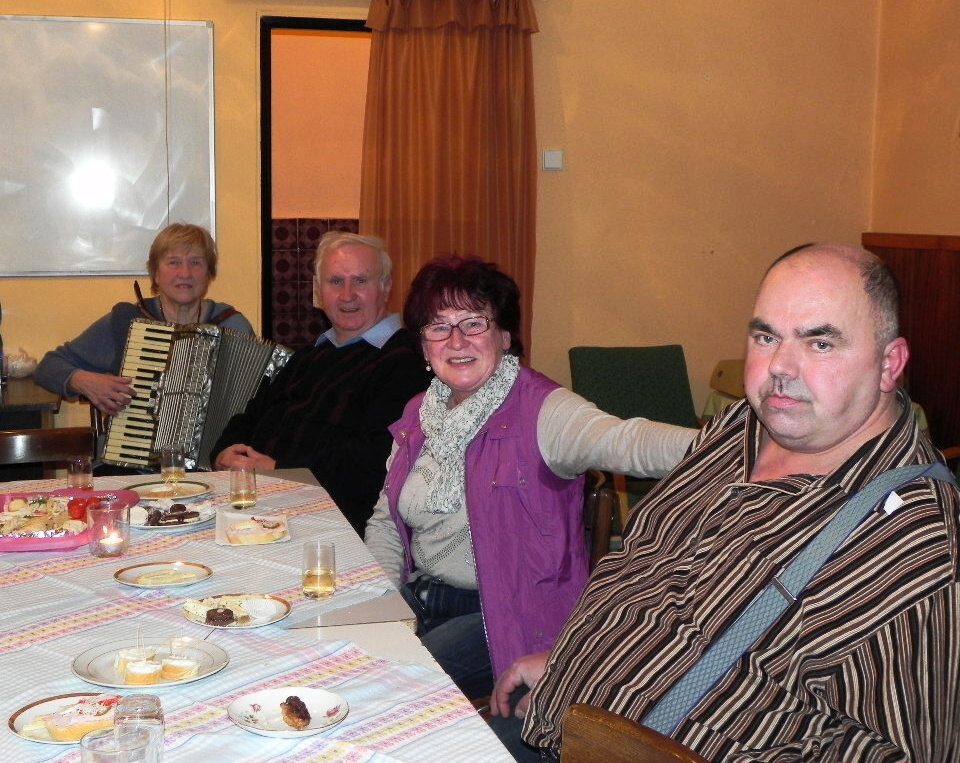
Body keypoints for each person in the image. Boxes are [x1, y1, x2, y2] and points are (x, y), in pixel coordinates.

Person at [490, 243, 960, 762]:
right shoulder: (739, 428)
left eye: (820, 343)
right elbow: (655, 573)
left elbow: (903, 750)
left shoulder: (918, 544)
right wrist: (572, 662)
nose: (779, 367)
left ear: (889, 364)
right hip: (558, 715)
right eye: (766, 337)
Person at [364, 255, 698, 702]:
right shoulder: (419, 415)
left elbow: (627, 440)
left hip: (506, 617)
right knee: (342, 654)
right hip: (423, 595)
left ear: (504, 336)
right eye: (439, 327)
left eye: (474, 323)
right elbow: (386, 522)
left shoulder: (542, 412)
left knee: (393, 685)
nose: (457, 340)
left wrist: (737, 439)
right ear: (424, 347)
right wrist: (381, 604)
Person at [212, 231, 431, 535]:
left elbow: (375, 462)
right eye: (335, 281)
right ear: (318, 290)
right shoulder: (308, 355)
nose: (347, 295)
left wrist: (278, 469)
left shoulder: (406, 362)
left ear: (386, 287)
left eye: (361, 280)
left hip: (330, 525)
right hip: (259, 508)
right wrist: (225, 452)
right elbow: (250, 417)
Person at [35, 223, 253, 417]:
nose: (185, 273)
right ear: (156, 273)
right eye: (174, 262)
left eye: (196, 263)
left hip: (217, 450)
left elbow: (256, 398)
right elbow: (49, 367)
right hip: (133, 448)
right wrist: (85, 381)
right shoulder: (128, 321)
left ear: (209, 273)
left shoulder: (232, 325)